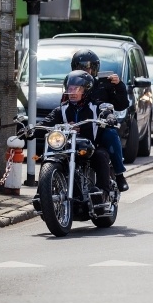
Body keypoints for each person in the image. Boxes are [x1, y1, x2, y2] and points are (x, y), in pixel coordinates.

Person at [36, 70, 112, 200]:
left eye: (77, 88)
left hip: (89, 146)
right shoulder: (62, 109)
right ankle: (42, 193)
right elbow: (47, 122)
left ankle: (103, 192)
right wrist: (31, 130)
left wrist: (109, 117)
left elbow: (106, 112)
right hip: (67, 147)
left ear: (86, 90)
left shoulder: (95, 107)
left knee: (101, 155)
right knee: (49, 155)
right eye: (70, 88)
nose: (72, 92)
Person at [71, 49, 131, 192]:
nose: (88, 70)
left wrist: (119, 86)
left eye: (91, 67)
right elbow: (62, 107)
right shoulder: (71, 84)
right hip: (77, 126)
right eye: (83, 67)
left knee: (110, 134)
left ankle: (119, 174)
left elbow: (121, 105)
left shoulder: (104, 84)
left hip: (99, 127)